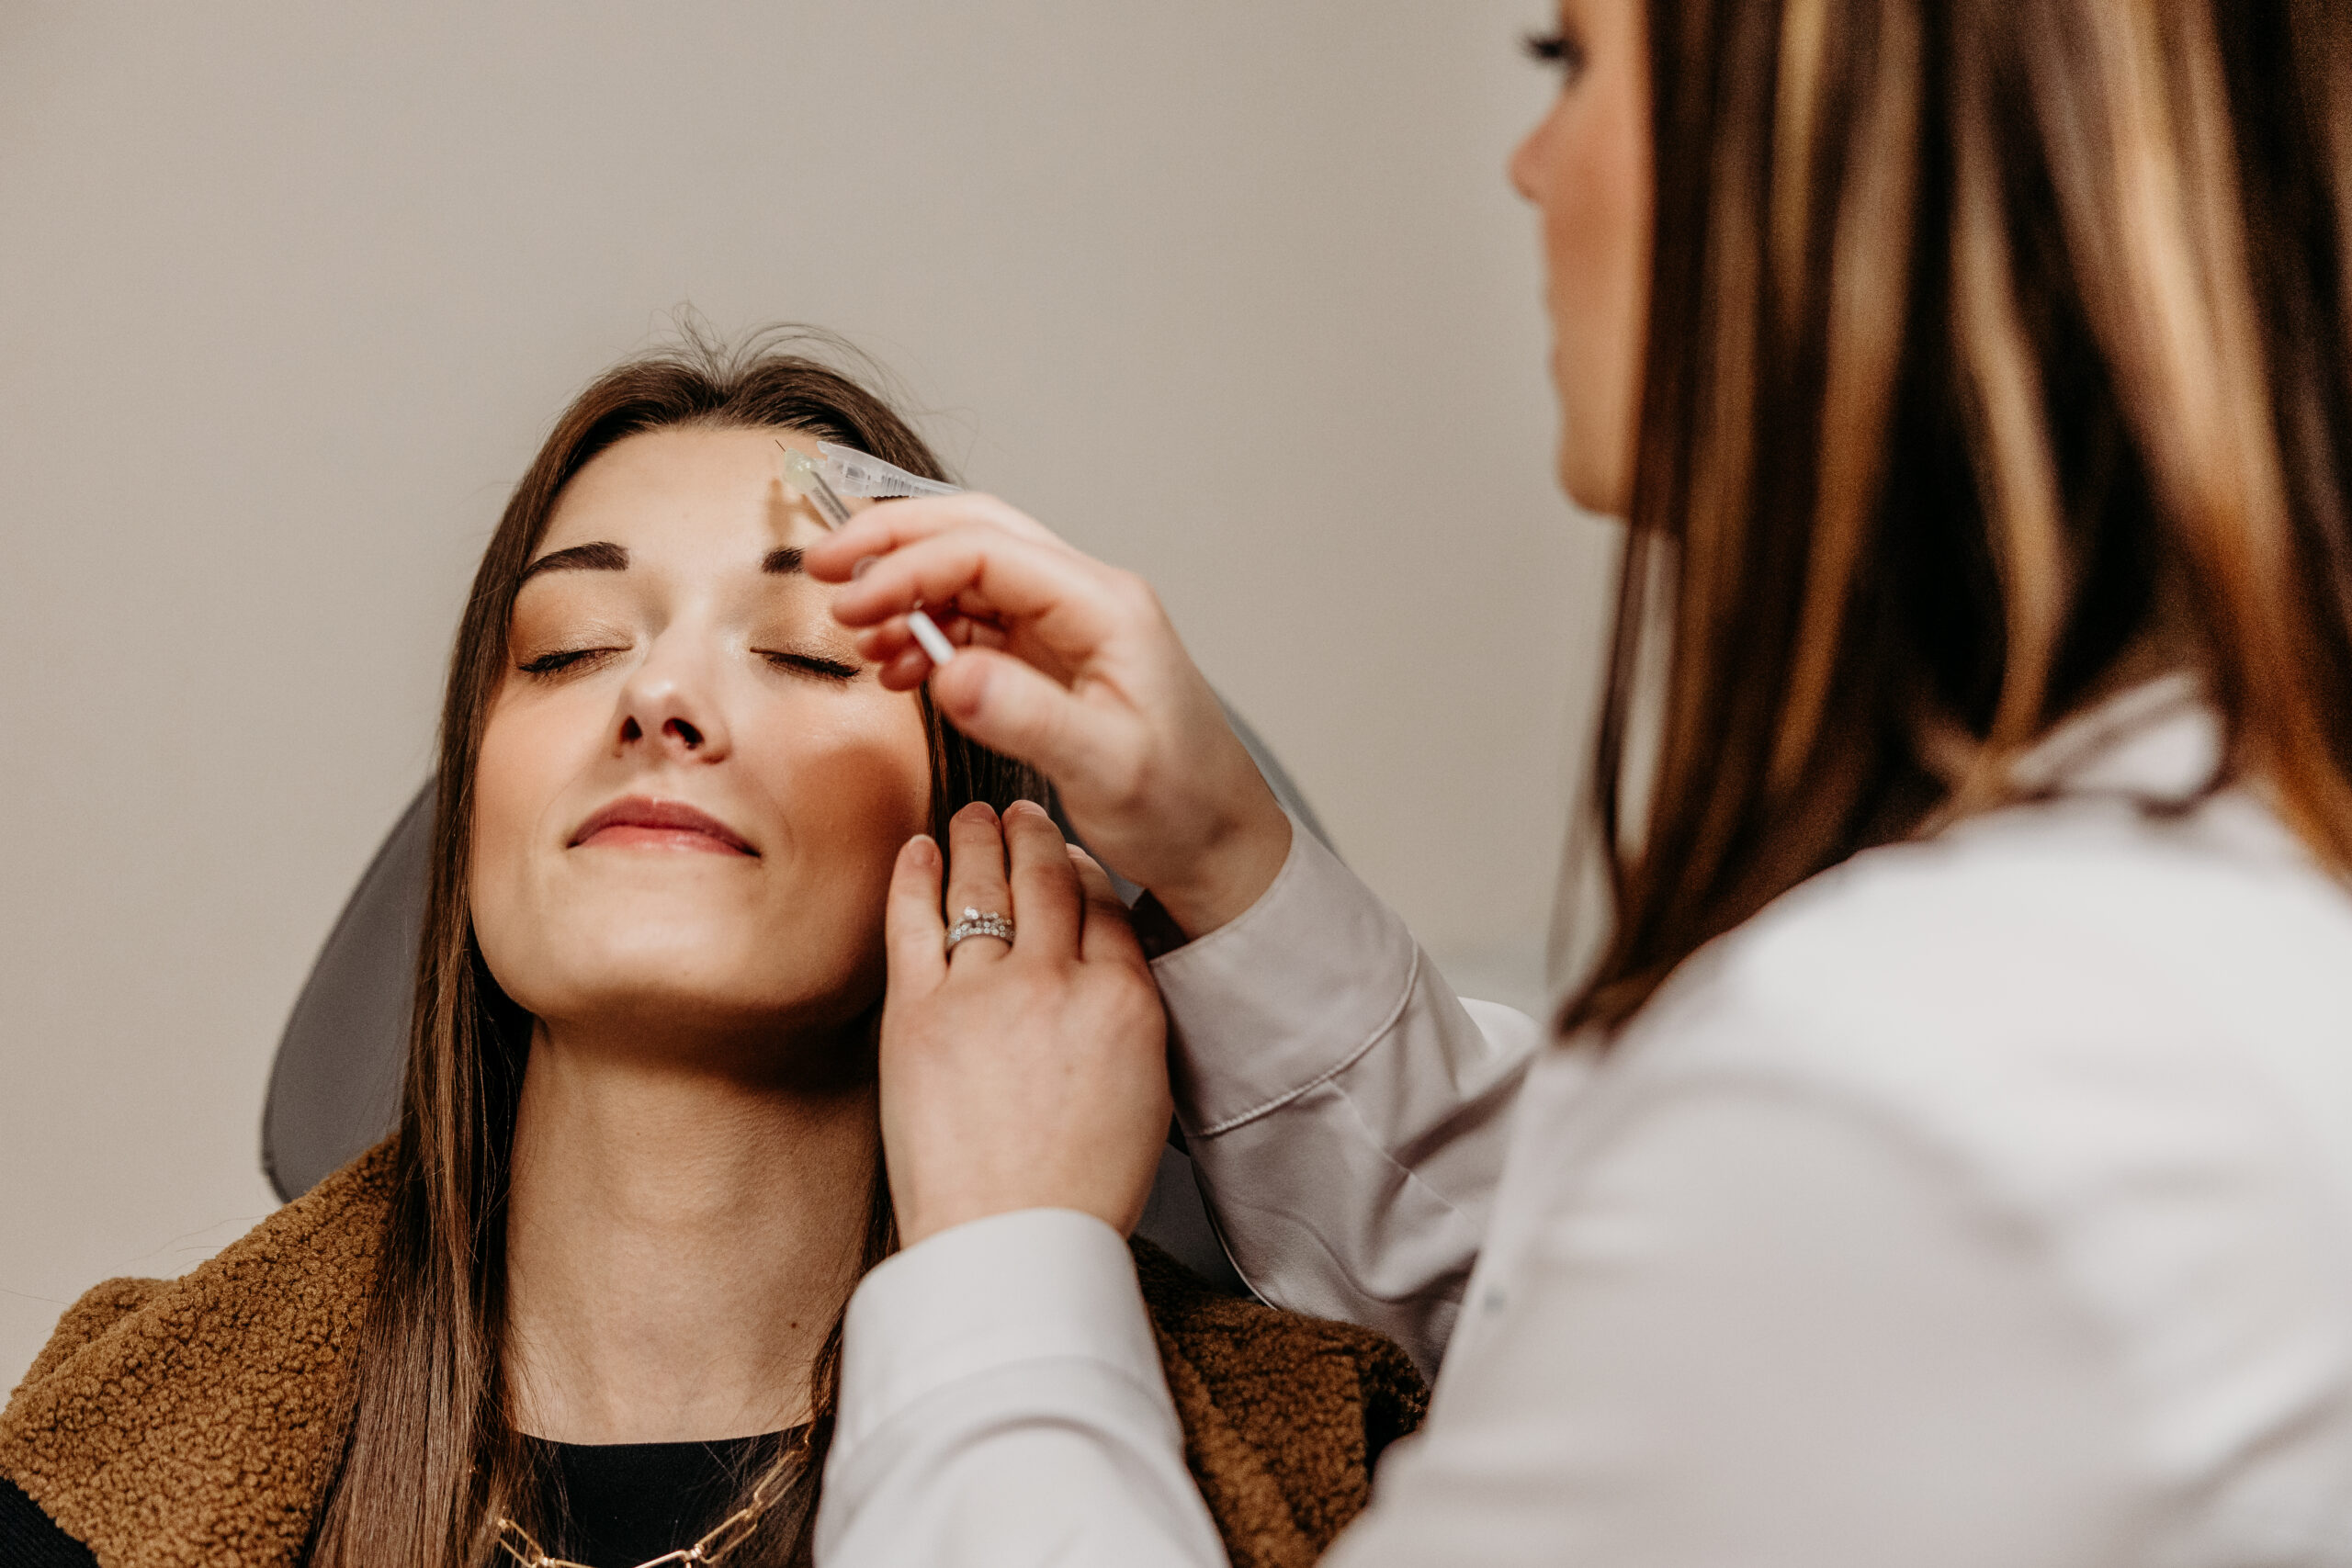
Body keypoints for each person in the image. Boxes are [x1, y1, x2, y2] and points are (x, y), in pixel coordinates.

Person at [799, 0, 2352, 1562]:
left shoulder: (1943, 1092)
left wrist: (1003, 1253)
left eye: (1573, 63)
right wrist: (1224, 857)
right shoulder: (2086, 990)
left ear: (1824, 153)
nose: (1528, 166)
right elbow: (1659, 1316)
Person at [0, 336, 1424, 1568]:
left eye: (808, 650)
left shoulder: (1353, 1475)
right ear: (473, 800)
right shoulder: (80, 1489)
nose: (661, 695)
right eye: (569, 648)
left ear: (980, 833)